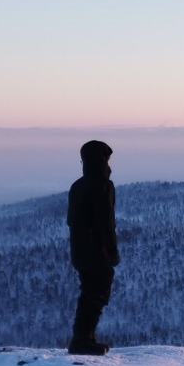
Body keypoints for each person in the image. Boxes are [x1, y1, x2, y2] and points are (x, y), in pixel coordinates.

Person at [65, 140, 120, 355]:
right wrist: (112, 251)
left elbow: (72, 221)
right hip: (96, 250)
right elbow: (106, 222)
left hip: (79, 250)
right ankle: (81, 340)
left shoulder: (77, 186)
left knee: (89, 292)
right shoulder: (103, 185)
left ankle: (84, 338)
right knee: (98, 292)